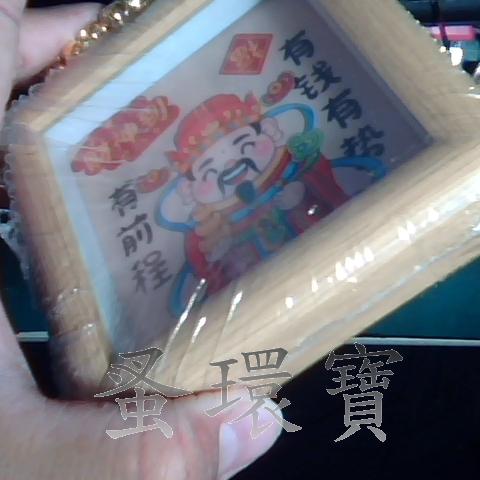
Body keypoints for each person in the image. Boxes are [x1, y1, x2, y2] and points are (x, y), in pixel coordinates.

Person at [0, 2, 282, 479]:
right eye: (207, 167)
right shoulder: (202, 229)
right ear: (189, 185)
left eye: (241, 141)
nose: (233, 166)